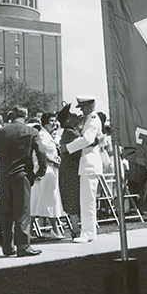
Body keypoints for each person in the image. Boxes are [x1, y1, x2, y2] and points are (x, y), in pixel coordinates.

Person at [0, 106, 46, 257]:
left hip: (3, 176)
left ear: (13, 115)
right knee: (22, 212)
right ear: (26, 116)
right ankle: (23, 246)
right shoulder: (32, 131)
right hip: (21, 175)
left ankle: (7, 247)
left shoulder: (2, 131)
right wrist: (40, 170)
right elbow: (41, 152)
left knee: (6, 213)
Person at [60, 95, 103, 243]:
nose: (82, 110)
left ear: (91, 105)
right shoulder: (88, 119)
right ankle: (88, 232)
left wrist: (67, 147)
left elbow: (87, 139)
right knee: (86, 201)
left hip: (89, 164)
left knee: (88, 201)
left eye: (84, 107)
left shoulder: (93, 119)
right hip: (86, 165)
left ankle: (88, 233)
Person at [30, 113, 64, 239]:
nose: (54, 123)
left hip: (48, 170)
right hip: (46, 171)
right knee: (49, 199)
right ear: (44, 123)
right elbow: (42, 152)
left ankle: (27, 231)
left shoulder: (47, 135)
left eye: (55, 121)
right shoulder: (43, 135)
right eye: (51, 121)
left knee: (38, 201)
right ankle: (55, 230)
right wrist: (54, 161)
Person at [57, 104, 82, 238]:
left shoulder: (70, 132)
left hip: (70, 170)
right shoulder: (71, 133)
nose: (74, 116)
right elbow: (77, 152)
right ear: (67, 120)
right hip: (71, 171)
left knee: (73, 199)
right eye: (71, 115)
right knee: (73, 199)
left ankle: (76, 228)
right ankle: (76, 229)